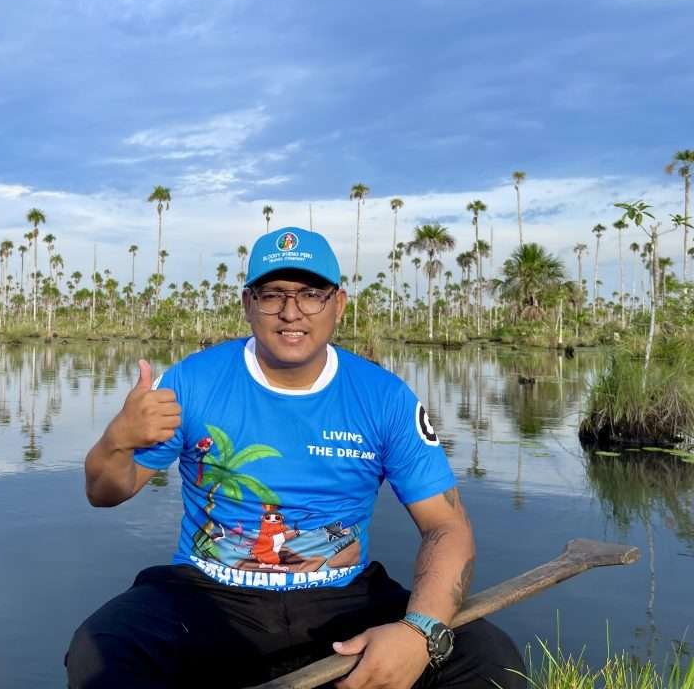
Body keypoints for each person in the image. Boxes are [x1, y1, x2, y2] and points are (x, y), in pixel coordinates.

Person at [67, 227, 525, 689]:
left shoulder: (383, 397)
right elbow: (106, 493)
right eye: (273, 295)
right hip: (206, 596)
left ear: (338, 303)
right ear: (249, 304)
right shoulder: (192, 381)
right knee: (101, 649)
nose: (291, 311)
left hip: (344, 597)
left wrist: (419, 632)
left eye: (310, 294)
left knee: (489, 658)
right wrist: (117, 439)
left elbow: (446, 526)